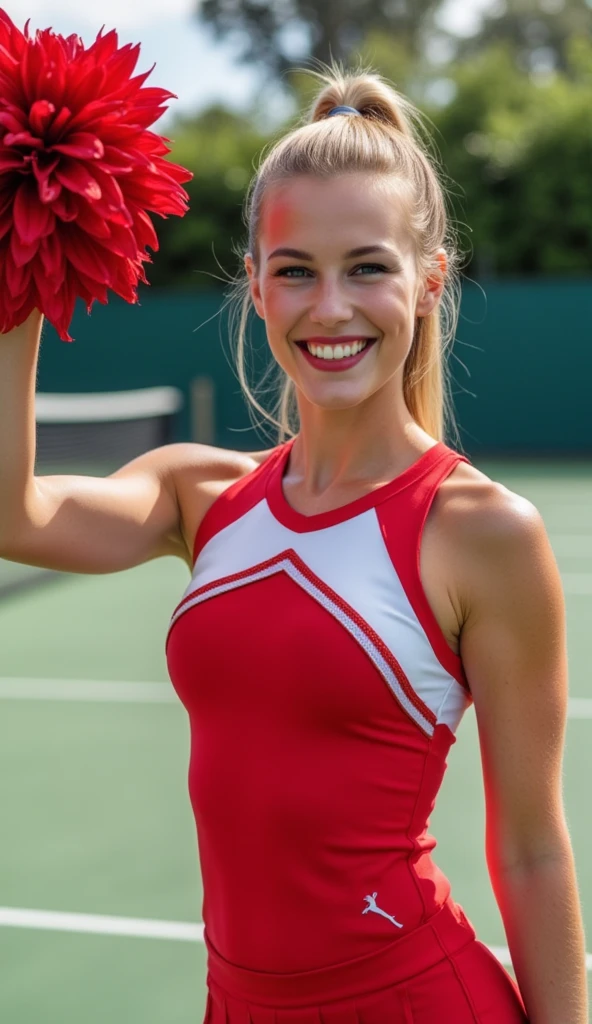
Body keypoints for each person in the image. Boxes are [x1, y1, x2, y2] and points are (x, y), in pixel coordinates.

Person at [0, 68, 587, 1024]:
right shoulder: (201, 496)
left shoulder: (481, 532)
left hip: (412, 1001)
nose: (330, 308)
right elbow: (12, 514)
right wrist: (20, 278)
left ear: (428, 279)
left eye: (367, 266)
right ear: (257, 288)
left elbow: (531, 848)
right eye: (295, 270)